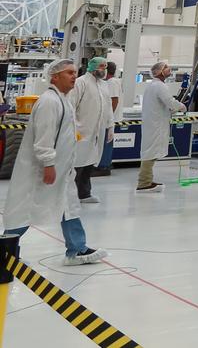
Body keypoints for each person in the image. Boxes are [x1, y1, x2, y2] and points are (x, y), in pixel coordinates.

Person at [3, 59, 107, 265]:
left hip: (61, 169)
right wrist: (48, 164)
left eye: (75, 72)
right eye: (69, 73)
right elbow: (44, 137)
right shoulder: (49, 102)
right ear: (55, 77)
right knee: (27, 209)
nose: (74, 76)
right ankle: (4, 250)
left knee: (68, 207)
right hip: (43, 170)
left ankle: (77, 249)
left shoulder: (63, 100)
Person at [137, 61, 187, 192]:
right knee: (151, 152)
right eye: (165, 68)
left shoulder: (153, 85)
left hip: (153, 123)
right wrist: (181, 106)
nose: (168, 69)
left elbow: (163, 104)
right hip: (156, 125)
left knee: (150, 151)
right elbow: (170, 101)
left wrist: (171, 109)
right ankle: (144, 183)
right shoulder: (159, 86)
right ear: (159, 71)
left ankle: (146, 180)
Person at [69, 57, 112, 203]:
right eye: (101, 66)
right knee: (77, 163)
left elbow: (108, 106)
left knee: (90, 161)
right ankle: (71, 194)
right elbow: (71, 105)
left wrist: (110, 126)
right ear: (93, 67)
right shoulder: (81, 82)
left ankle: (85, 194)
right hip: (81, 130)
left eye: (105, 67)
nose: (104, 69)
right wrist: (73, 127)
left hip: (97, 130)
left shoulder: (104, 85)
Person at [96, 62, 122, 176]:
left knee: (106, 142)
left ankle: (104, 167)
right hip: (109, 118)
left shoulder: (112, 82)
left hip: (109, 120)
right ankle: (102, 164)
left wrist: (108, 117)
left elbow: (114, 100)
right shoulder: (111, 82)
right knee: (105, 142)